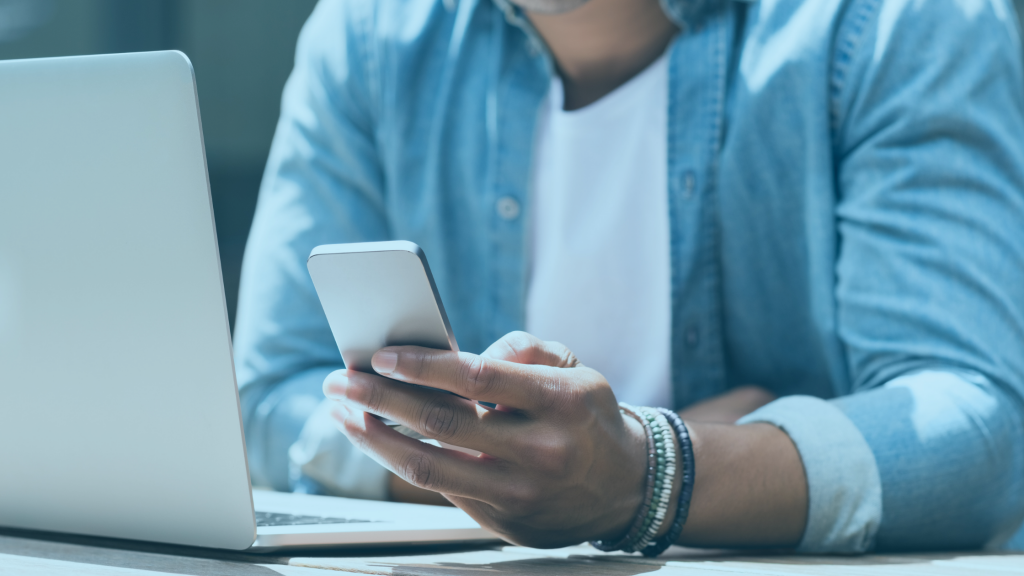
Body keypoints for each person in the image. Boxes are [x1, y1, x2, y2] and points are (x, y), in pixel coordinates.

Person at [233, 0, 1024, 553]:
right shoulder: (370, 33)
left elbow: (980, 435)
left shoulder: (895, 20)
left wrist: (643, 472)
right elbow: (267, 399)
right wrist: (535, 472)